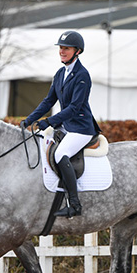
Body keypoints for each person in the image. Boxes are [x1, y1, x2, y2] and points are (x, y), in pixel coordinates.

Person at [21, 30, 100, 218]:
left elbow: (74, 108)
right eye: (61, 48)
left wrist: (49, 121)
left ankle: (74, 204)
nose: (62, 51)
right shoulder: (60, 74)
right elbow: (49, 101)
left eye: (66, 48)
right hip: (65, 126)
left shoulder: (82, 75)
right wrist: (30, 119)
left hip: (81, 128)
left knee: (61, 154)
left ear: (77, 51)